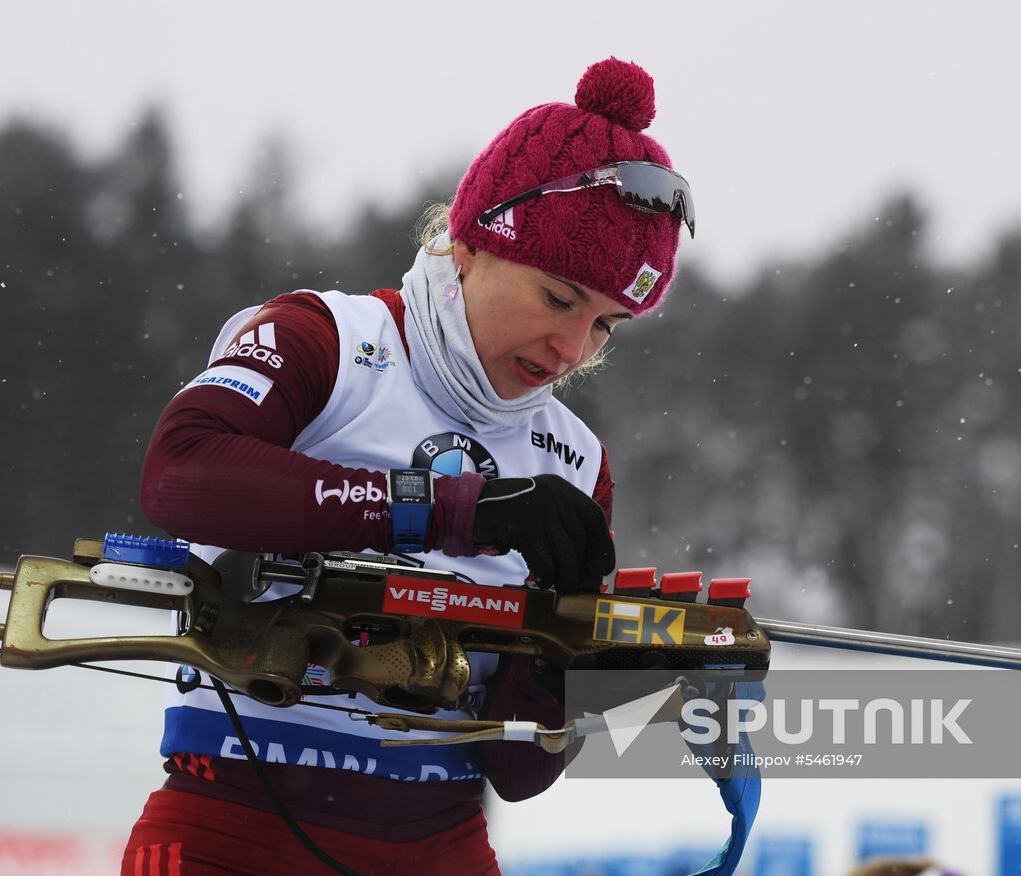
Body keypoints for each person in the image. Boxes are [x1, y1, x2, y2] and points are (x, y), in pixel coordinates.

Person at [121, 57, 695, 876]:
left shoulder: (574, 462)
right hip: (239, 827)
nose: (573, 350)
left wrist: (591, 678)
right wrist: (457, 509)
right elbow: (178, 476)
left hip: (440, 845)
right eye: (559, 299)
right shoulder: (330, 341)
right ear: (469, 247)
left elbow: (520, 768)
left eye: (609, 325)